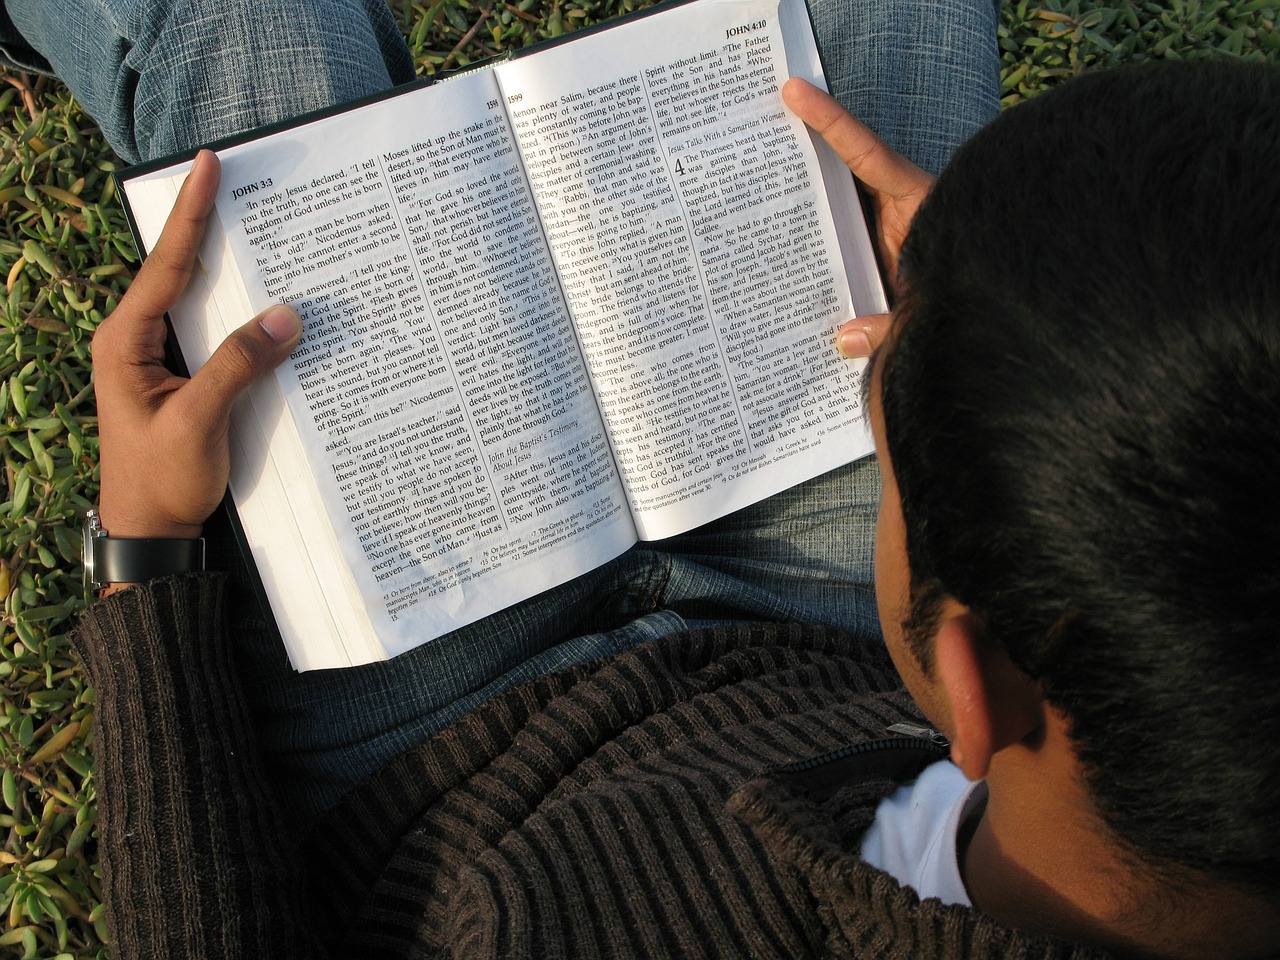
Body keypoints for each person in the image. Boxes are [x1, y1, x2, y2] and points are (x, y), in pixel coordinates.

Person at [18, 4, 1280, 960]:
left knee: (245, 28)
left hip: (435, 746)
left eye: (897, 429)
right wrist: (983, 315)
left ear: (975, 683)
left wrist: (147, 554)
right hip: (828, 640)